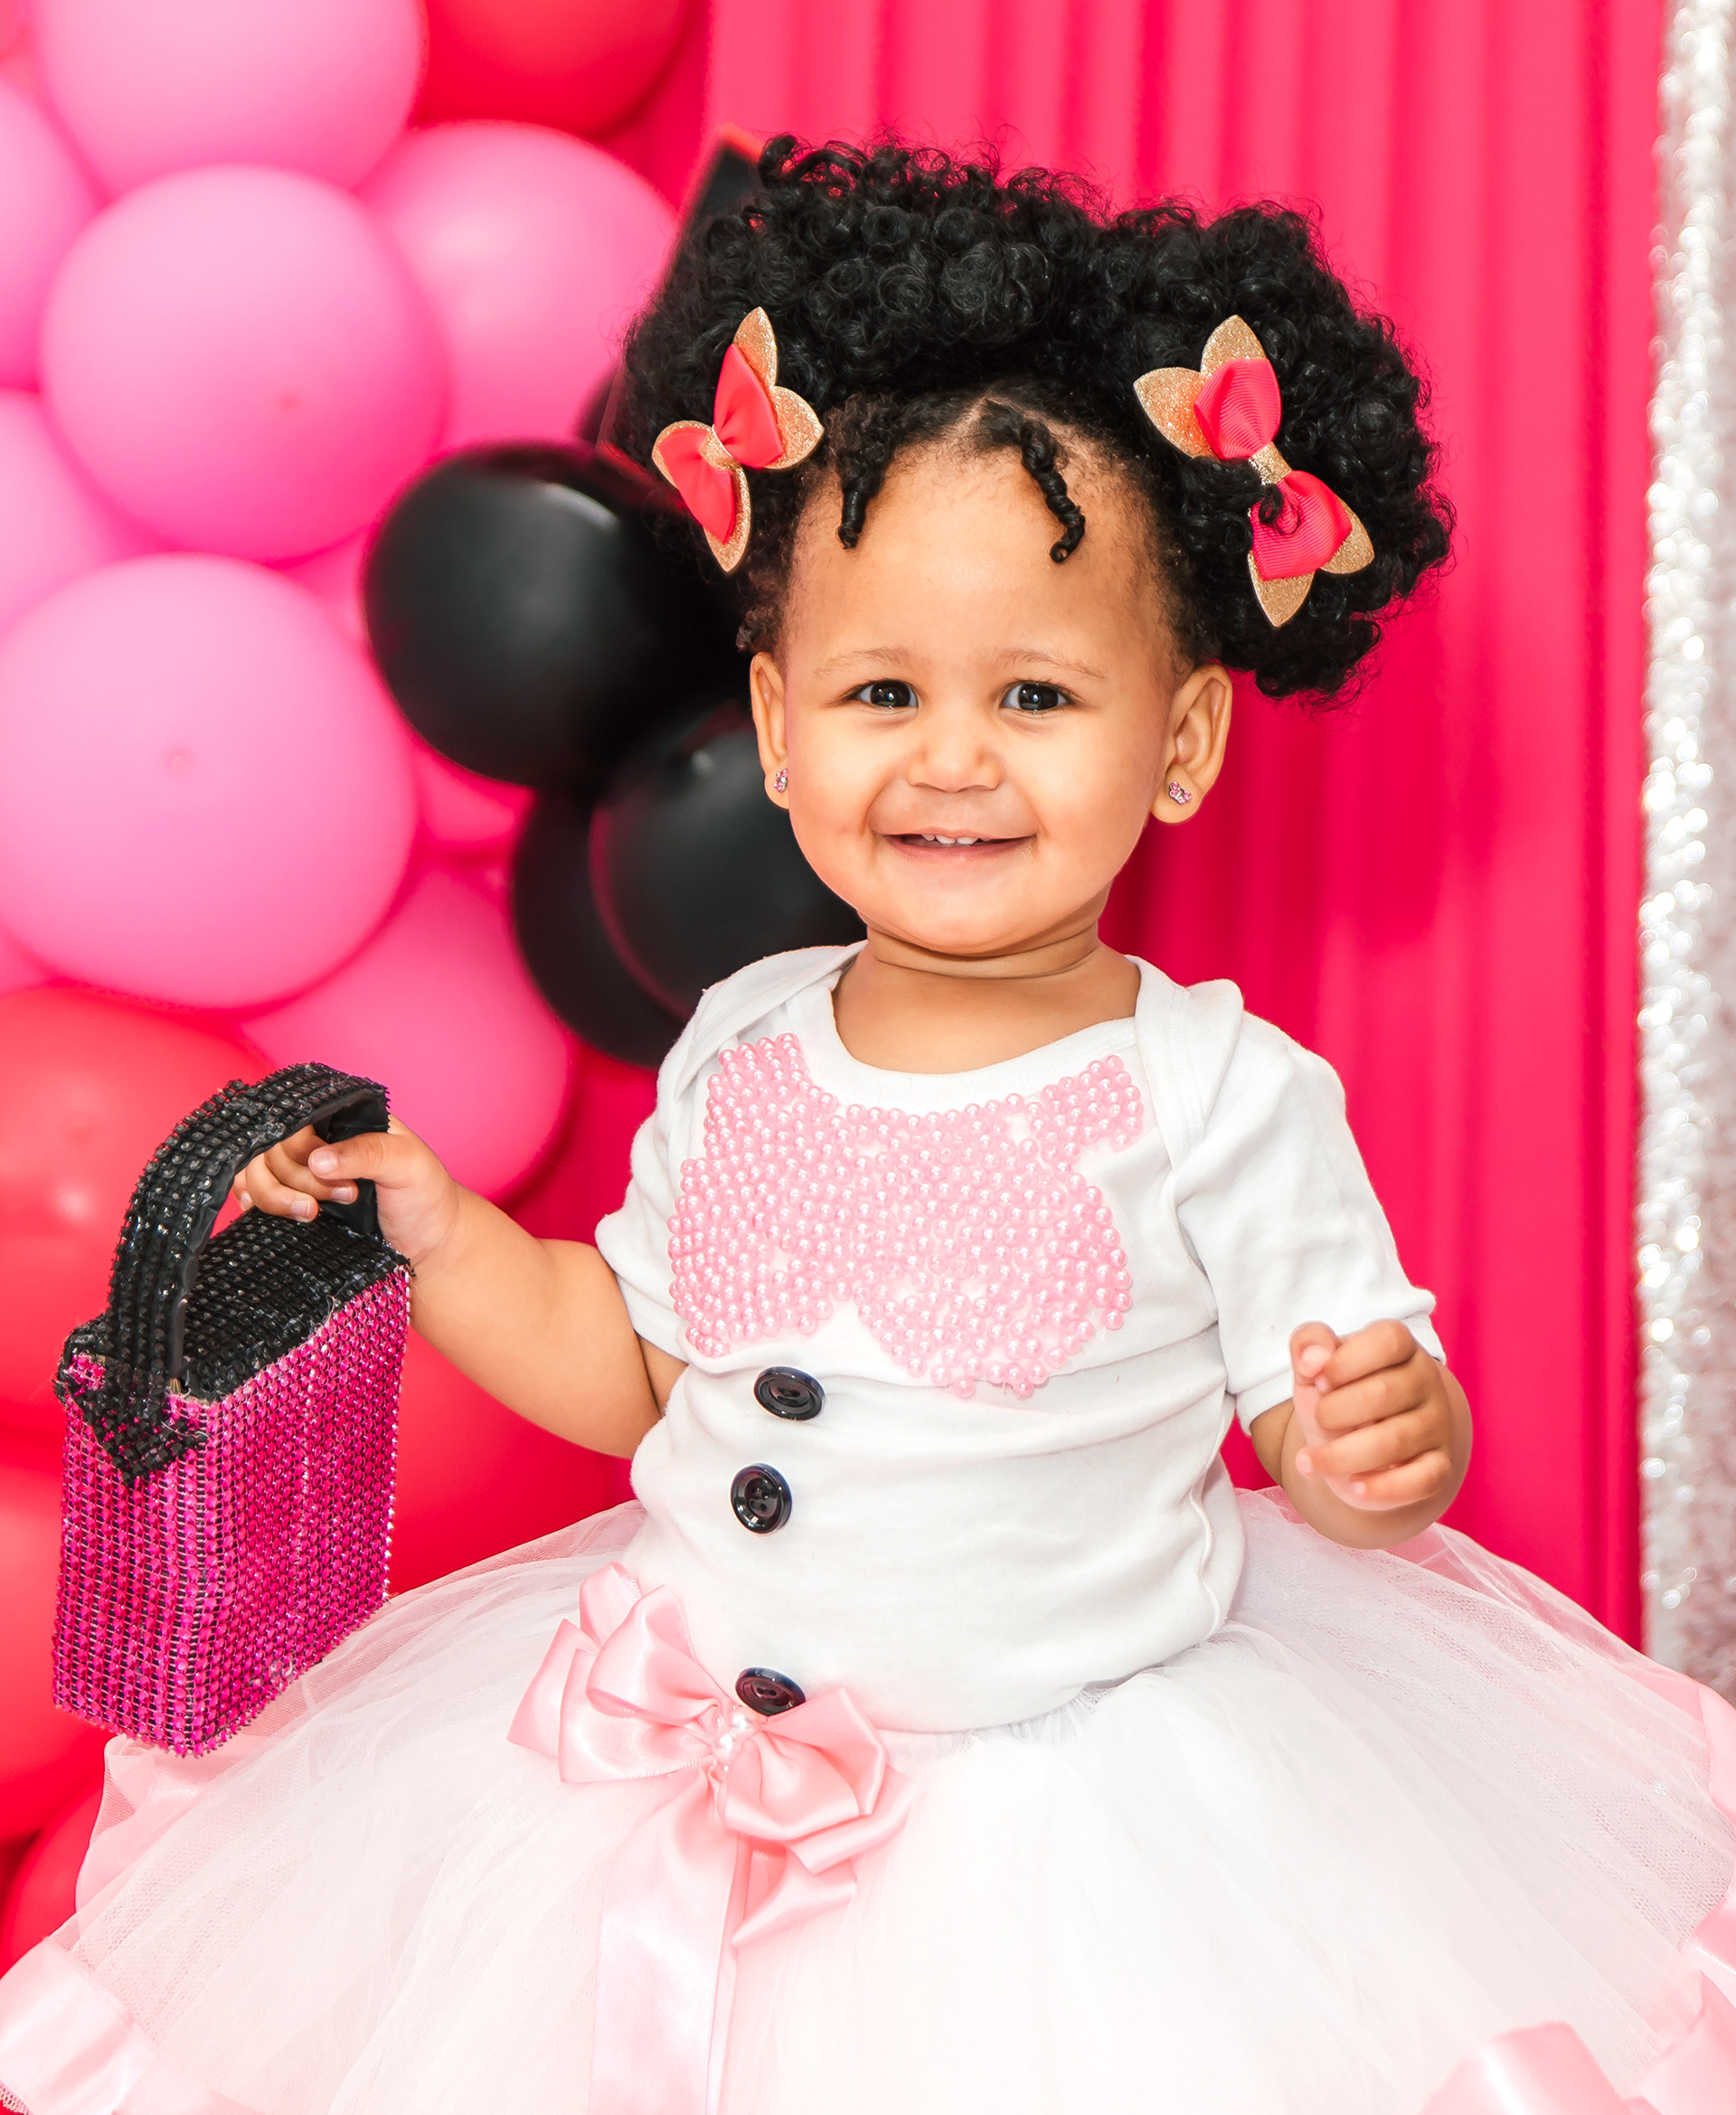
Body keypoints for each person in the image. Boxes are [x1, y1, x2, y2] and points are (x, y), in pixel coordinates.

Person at [1, 138, 1731, 2115]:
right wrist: (444, 1234)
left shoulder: (1216, 1092)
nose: (952, 759)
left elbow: (1336, 1444)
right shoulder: (741, 1038)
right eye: (884, 690)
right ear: (778, 722)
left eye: (1039, 698)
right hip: (665, 1764)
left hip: (1064, 1853)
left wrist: (1379, 1447)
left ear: (1179, 741)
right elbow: (639, 1370)